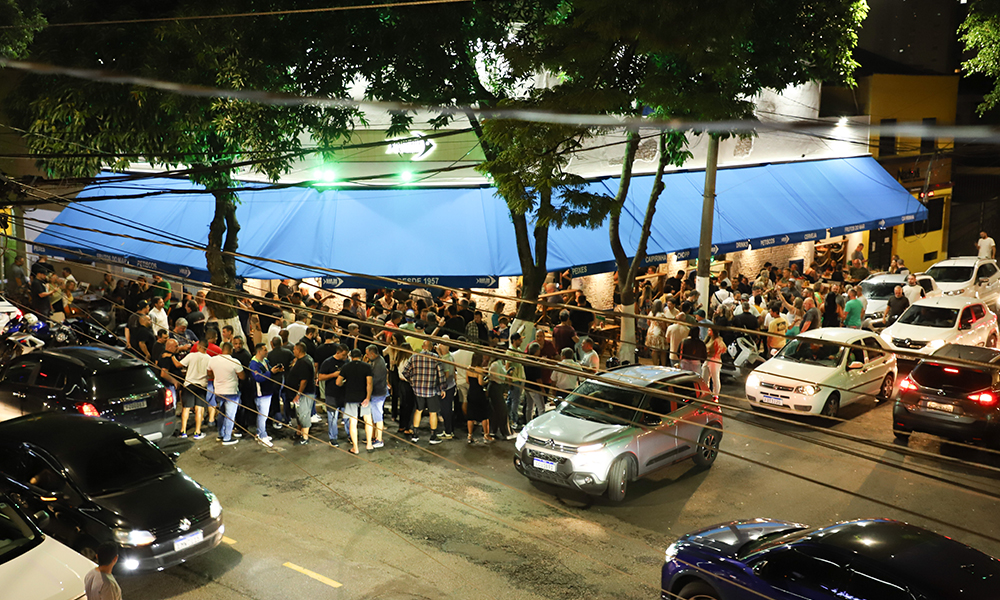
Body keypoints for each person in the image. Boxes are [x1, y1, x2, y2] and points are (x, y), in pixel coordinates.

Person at [403, 339, 446, 445]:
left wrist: (412, 381)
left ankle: (415, 435)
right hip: (432, 390)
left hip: (418, 390)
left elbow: (405, 372)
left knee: (418, 410)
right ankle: (433, 436)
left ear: (423, 347)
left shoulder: (414, 357)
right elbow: (441, 374)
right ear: (431, 347)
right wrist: (443, 388)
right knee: (433, 413)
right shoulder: (435, 358)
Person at [337, 348, 374, 454]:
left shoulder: (346, 367)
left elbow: (338, 382)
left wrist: (345, 382)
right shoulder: (367, 367)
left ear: (350, 357)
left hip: (351, 397)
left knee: (353, 422)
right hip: (364, 397)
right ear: (361, 356)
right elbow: (369, 383)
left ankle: (355, 448)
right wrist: (367, 397)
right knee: (368, 421)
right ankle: (369, 444)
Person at [207, 342, 245, 445]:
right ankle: (227, 438)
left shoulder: (213, 360)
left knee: (222, 413)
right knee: (230, 415)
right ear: (231, 350)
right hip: (231, 391)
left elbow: (209, 373)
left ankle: (221, 434)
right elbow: (242, 376)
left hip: (218, 391)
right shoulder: (234, 361)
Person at [317, 343, 349, 446]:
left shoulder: (346, 362)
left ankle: (350, 435)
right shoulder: (328, 362)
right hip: (331, 394)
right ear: (338, 352)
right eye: (344, 355)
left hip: (344, 393)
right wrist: (333, 375)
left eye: (346, 355)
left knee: (347, 416)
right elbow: (320, 377)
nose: (345, 357)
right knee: (332, 417)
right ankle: (333, 438)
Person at [286, 342, 316, 445]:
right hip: (301, 393)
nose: (293, 351)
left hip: (305, 393)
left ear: (299, 350)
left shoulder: (304, 362)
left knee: (304, 414)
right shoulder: (303, 359)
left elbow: (304, 380)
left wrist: (298, 394)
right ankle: (299, 433)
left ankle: (305, 437)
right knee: (299, 414)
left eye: (294, 349)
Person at [248, 343, 274, 446]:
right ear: (259, 351)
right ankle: (262, 436)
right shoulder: (254, 364)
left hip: (267, 392)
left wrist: (274, 370)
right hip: (261, 394)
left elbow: (269, 370)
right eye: (265, 349)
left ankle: (260, 433)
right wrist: (270, 372)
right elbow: (258, 378)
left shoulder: (265, 361)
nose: (267, 351)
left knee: (263, 415)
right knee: (263, 415)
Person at [364, 344, 389, 449]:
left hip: (378, 394)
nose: (366, 356)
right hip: (379, 392)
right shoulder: (378, 361)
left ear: (372, 354)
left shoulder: (378, 364)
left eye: (367, 354)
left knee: (378, 417)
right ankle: (374, 436)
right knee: (376, 416)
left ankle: (379, 439)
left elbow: (374, 380)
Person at [464, 353, 492, 443]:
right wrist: (487, 380)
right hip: (479, 394)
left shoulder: (468, 368)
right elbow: (480, 382)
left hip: (471, 393)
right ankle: (486, 435)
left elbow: (467, 381)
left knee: (470, 415)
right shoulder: (479, 370)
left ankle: (469, 436)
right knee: (484, 415)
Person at [704, 328, 726, 396]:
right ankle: (706, 393)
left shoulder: (718, 340)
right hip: (708, 359)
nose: (708, 331)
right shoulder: (709, 339)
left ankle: (715, 395)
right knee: (705, 377)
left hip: (714, 360)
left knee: (715, 378)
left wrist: (713, 353)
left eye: (709, 330)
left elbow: (723, 349)